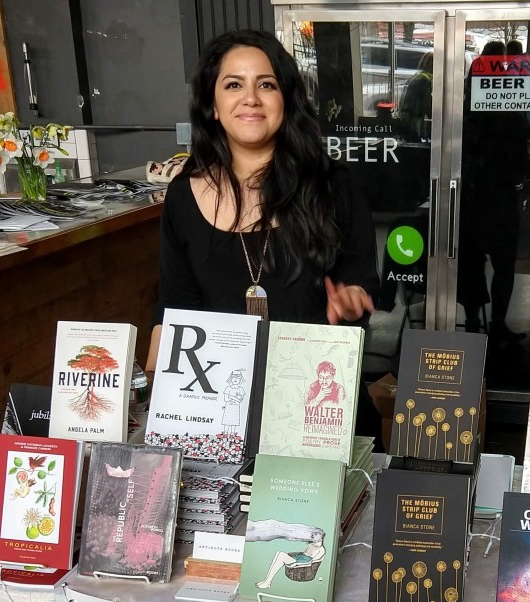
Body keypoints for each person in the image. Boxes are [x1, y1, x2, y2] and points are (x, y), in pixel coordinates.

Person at [148, 29, 379, 367]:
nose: (251, 98)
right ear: (213, 105)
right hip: (221, 399)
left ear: (285, 99)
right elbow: (173, 309)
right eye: (233, 85)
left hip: (312, 389)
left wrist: (352, 299)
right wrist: (153, 396)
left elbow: (361, 280)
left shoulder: (332, 185)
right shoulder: (183, 196)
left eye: (266, 85)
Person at [457, 40, 530, 339]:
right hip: (499, 189)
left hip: (473, 190)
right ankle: (498, 323)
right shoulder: (504, 97)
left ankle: (473, 320)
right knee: (504, 264)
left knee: (473, 261)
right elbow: (523, 131)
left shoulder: (467, 98)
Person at [256, 530, 326, 589]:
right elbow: (303, 554)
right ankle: (267, 581)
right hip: (297, 560)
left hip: (300, 565)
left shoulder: (321, 550)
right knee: (279, 554)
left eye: (316, 535)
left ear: (321, 537)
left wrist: (296, 564)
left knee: (281, 555)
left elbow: (311, 563)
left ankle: (267, 582)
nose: (313, 536)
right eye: (313, 534)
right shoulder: (311, 545)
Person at [395, 50, 434, 141]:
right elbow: (428, 107)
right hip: (414, 124)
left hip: (405, 121)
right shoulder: (425, 81)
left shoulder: (416, 77)